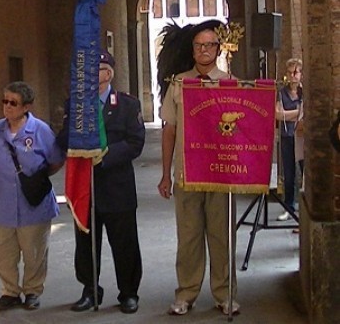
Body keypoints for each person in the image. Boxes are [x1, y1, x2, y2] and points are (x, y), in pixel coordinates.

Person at [157, 20, 238, 316]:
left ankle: (224, 292)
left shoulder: (231, 84)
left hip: (220, 173)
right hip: (188, 173)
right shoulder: (179, 84)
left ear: (218, 50)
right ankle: (186, 292)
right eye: (198, 45)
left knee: (221, 235)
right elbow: (169, 130)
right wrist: (166, 174)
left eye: (209, 45)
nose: (204, 50)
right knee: (188, 236)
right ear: (193, 50)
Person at [58, 51, 146, 314]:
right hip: (85, 186)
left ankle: (128, 293)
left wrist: (103, 155)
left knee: (124, 243)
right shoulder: (76, 105)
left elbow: (135, 142)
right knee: (85, 243)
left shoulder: (128, 105)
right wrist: (75, 142)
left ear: (109, 74)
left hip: (117, 187)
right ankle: (90, 290)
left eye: (98, 70)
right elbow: (63, 140)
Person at [0, 81, 64, 311]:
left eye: (13, 103)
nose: (7, 107)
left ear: (26, 107)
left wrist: (36, 180)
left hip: (33, 204)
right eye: (5, 101)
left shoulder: (40, 130)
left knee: (34, 253)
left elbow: (56, 160)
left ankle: (32, 290)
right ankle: (10, 291)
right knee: (4, 252)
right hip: (1, 203)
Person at [276, 57, 304, 221]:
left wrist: (290, 114)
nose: (293, 75)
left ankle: (304, 205)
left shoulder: (304, 92)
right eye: (290, 72)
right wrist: (298, 113)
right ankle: (289, 206)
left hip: (301, 137)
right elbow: (278, 114)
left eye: (296, 72)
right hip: (287, 136)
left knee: (305, 171)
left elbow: (306, 112)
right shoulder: (281, 92)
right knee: (288, 172)